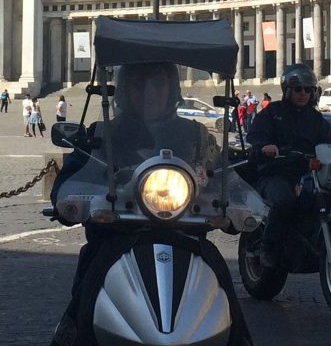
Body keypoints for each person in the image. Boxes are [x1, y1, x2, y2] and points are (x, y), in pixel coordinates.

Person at [49, 61, 221, 346]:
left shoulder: (196, 136)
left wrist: (233, 207)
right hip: (116, 241)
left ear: (172, 88)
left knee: (223, 291)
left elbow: (223, 176)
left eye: (159, 83)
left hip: (185, 241)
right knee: (84, 301)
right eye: (140, 84)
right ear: (125, 90)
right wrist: (73, 203)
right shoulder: (101, 133)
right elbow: (68, 183)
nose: (150, 92)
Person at [247, 64, 331, 269]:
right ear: (288, 90)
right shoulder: (273, 112)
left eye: (308, 89)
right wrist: (264, 146)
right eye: (298, 89)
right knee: (283, 200)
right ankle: (268, 247)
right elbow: (256, 135)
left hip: (309, 171)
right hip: (277, 172)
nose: (303, 94)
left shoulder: (316, 118)